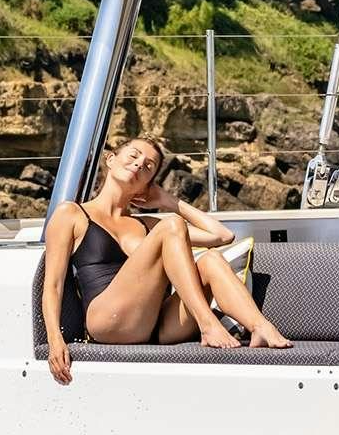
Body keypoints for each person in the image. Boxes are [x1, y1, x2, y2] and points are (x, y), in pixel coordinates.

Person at [40, 136, 290, 385]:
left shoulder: (147, 224)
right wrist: (55, 340)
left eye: (149, 167)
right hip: (107, 321)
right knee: (172, 226)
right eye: (134, 155)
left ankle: (260, 327)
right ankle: (208, 324)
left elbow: (222, 236)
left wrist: (169, 201)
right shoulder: (71, 214)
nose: (140, 164)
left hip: (156, 325)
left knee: (211, 260)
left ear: (148, 185)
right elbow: (53, 285)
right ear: (111, 159)